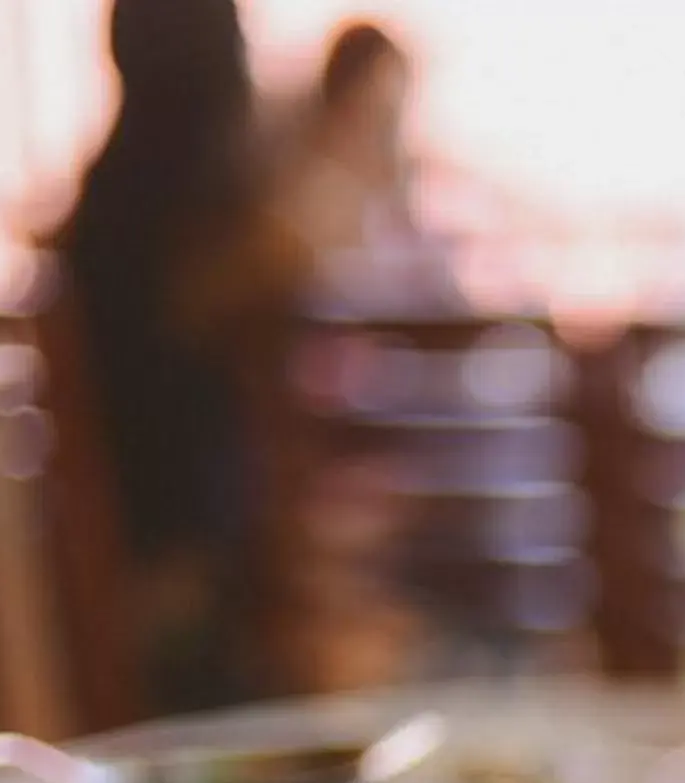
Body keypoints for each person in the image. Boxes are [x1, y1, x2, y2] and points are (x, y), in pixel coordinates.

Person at [54, 0, 294, 710]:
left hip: (137, 537)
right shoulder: (190, 198)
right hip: (179, 556)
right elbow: (283, 258)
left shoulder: (108, 186)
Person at [270, 22, 462, 316]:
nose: (388, 117)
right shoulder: (310, 184)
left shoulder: (397, 178)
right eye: (380, 99)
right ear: (350, 92)